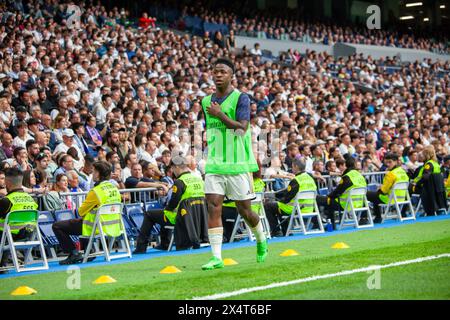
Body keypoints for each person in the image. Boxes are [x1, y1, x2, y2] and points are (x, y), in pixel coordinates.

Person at [201, 57, 267, 271]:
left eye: (223, 71)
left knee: (245, 211)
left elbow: (242, 128)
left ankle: (261, 239)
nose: (218, 74)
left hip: (237, 164)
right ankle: (216, 257)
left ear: (231, 76)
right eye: (215, 71)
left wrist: (220, 115)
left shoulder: (241, 98)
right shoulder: (205, 101)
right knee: (213, 207)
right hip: (215, 164)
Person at [133, 156, 208, 253]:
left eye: (172, 169)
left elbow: (173, 203)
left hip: (181, 217)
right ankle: (164, 243)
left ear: (176, 167)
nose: (172, 172)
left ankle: (141, 248)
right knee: (164, 212)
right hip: (198, 218)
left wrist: (167, 208)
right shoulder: (199, 179)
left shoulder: (180, 181)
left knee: (150, 214)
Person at [52, 161, 122, 265]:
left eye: (94, 171)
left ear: (98, 174)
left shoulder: (96, 191)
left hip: (96, 227)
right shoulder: (115, 189)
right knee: (82, 220)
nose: (92, 174)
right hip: (114, 225)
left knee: (57, 226)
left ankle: (73, 253)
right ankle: (89, 250)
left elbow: (80, 212)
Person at [263, 158, 317, 236]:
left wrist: (275, 197)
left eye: (292, 166)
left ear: (295, 166)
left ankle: (276, 231)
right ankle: (286, 231)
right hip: (309, 208)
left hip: (296, 208)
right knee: (278, 205)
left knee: (269, 206)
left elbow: (287, 199)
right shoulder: (310, 177)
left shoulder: (296, 180)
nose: (292, 168)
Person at [0, 168, 38, 272]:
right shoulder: (31, 199)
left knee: (4, 232)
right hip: (28, 234)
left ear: (7, 182)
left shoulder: (7, 200)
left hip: (9, 235)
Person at [316, 156, 368, 229]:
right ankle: (364, 218)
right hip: (359, 204)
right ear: (355, 165)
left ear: (346, 165)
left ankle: (327, 225)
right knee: (329, 201)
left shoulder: (347, 177)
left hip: (345, 204)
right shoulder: (360, 175)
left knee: (321, 199)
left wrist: (329, 196)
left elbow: (338, 191)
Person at [366, 153, 409, 223]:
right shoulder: (403, 171)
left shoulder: (390, 174)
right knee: (375, 195)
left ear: (396, 161)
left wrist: (380, 188)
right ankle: (402, 213)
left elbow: (383, 191)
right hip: (403, 198)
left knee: (368, 194)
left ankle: (372, 217)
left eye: (390, 162)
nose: (388, 164)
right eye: (387, 163)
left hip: (390, 199)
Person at [411, 146, 447, 216]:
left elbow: (425, 177)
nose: (421, 156)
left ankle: (403, 212)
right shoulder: (435, 163)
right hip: (437, 188)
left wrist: (417, 184)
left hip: (429, 189)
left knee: (410, 188)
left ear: (426, 155)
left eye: (423, 155)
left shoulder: (428, 164)